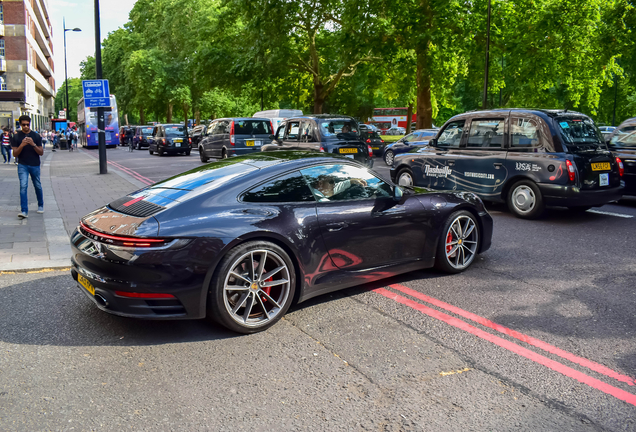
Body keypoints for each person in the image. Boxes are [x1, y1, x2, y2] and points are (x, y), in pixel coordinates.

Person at [11, 115, 44, 219]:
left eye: (27, 125)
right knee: (23, 186)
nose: (26, 126)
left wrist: (33, 144)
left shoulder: (36, 136)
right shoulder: (16, 137)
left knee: (37, 185)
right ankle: (24, 211)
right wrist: (22, 145)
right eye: (23, 125)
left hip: (35, 164)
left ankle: (40, 205)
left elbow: (41, 152)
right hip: (22, 165)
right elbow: (15, 154)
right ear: (20, 124)